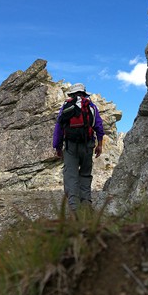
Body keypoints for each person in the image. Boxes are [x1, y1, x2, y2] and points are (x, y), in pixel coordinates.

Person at [53, 83, 104, 212]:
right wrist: (100, 145)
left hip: (70, 146)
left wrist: (58, 147)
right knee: (85, 174)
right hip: (87, 145)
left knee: (71, 176)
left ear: (72, 94)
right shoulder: (91, 106)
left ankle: (74, 208)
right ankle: (86, 204)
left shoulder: (66, 106)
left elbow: (59, 128)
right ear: (84, 93)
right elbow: (98, 126)